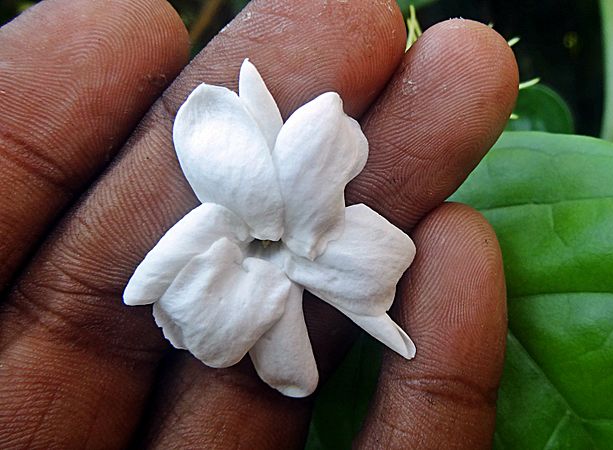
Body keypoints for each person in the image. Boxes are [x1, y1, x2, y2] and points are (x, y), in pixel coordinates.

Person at [0, 0, 518, 447]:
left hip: (298, 226)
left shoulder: (271, 164)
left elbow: (156, 288)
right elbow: (159, 283)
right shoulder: (230, 169)